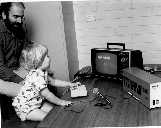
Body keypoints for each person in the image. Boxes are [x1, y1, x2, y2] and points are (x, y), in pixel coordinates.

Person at [12, 43, 75, 121]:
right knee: (51, 119)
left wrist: (69, 84)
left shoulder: (42, 72)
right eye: (47, 56)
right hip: (27, 108)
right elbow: (48, 95)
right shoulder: (36, 76)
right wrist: (61, 102)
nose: (49, 58)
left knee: (56, 112)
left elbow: (54, 81)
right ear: (39, 61)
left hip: (37, 103)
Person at [0, 2, 31, 120]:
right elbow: (0, 68)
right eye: (15, 16)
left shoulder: (18, 29)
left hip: (14, 69)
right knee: (29, 90)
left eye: (22, 17)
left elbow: (24, 54)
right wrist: (21, 79)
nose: (19, 21)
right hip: (2, 73)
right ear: (3, 15)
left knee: (41, 82)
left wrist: (31, 72)